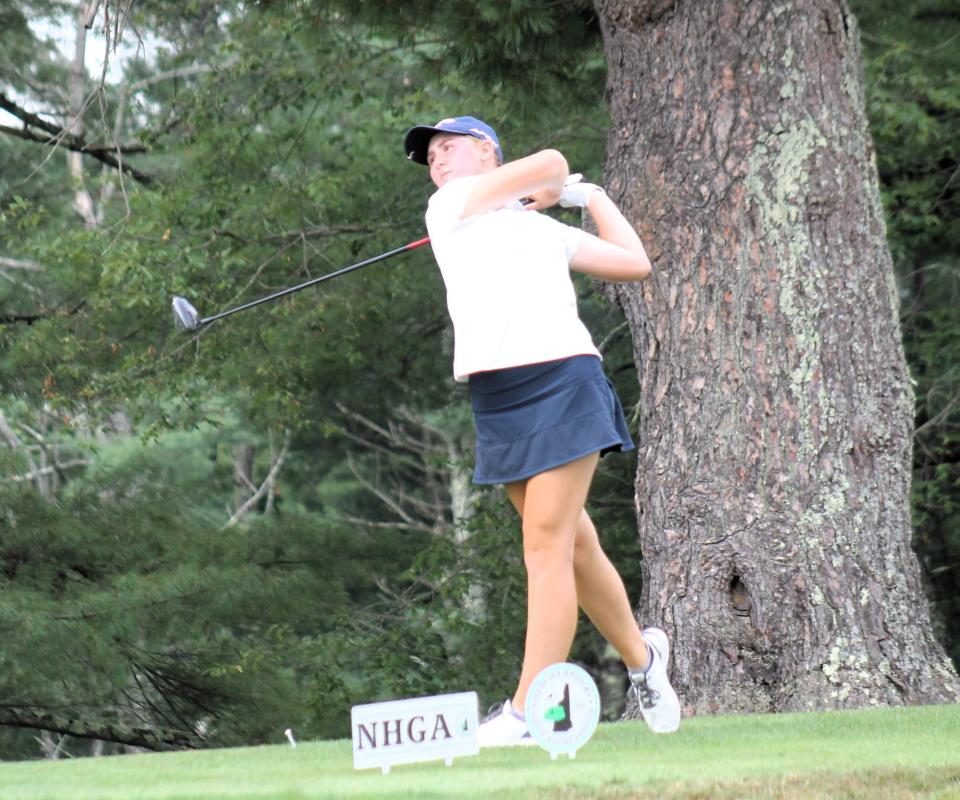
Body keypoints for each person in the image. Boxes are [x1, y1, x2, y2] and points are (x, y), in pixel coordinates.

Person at [402, 116, 681, 746]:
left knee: (545, 547)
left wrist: (589, 197)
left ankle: (531, 711)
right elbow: (548, 164)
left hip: (563, 381)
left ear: (487, 151)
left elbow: (633, 262)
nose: (436, 162)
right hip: (497, 395)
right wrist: (550, 187)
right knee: (574, 548)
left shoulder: (538, 227)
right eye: (429, 156)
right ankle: (643, 659)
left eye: (448, 149)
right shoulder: (447, 207)